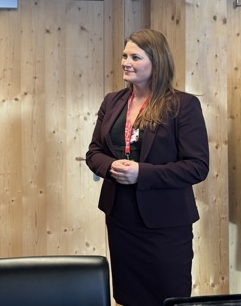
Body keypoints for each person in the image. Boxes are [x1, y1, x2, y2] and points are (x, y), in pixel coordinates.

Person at [85, 29, 209, 306]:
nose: (126, 62)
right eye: (124, 56)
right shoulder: (113, 101)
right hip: (120, 218)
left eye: (135, 57)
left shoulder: (183, 105)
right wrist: (111, 165)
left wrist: (142, 173)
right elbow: (94, 152)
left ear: (157, 62)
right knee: (128, 296)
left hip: (165, 223)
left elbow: (197, 167)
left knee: (168, 296)